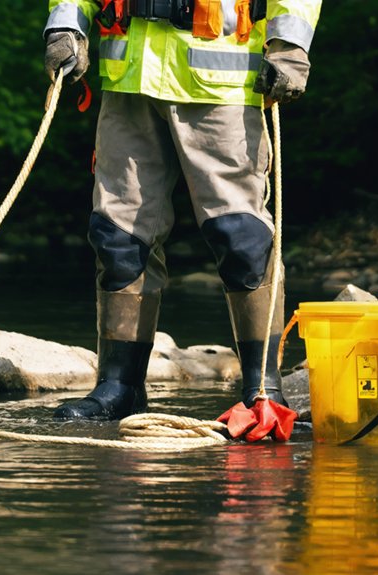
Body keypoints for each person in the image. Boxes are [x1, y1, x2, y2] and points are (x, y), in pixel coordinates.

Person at [44, 0, 321, 420]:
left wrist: (290, 48)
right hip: (129, 82)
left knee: (241, 235)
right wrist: (66, 26)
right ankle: (119, 387)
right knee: (117, 236)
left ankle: (263, 391)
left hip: (223, 86)